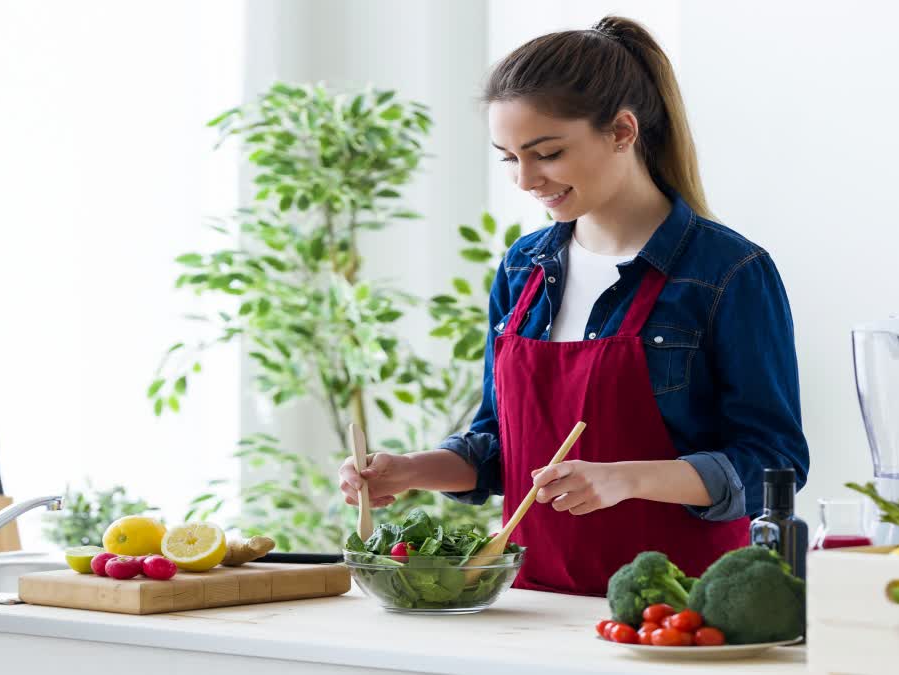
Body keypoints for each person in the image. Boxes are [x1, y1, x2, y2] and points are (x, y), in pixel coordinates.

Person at [339, 15, 809, 596]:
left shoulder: (728, 274)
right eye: (509, 158)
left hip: (681, 610)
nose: (526, 180)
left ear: (621, 131)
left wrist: (627, 480)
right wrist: (412, 470)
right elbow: (498, 447)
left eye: (547, 153)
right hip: (533, 604)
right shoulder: (523, 267)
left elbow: (773, 465)